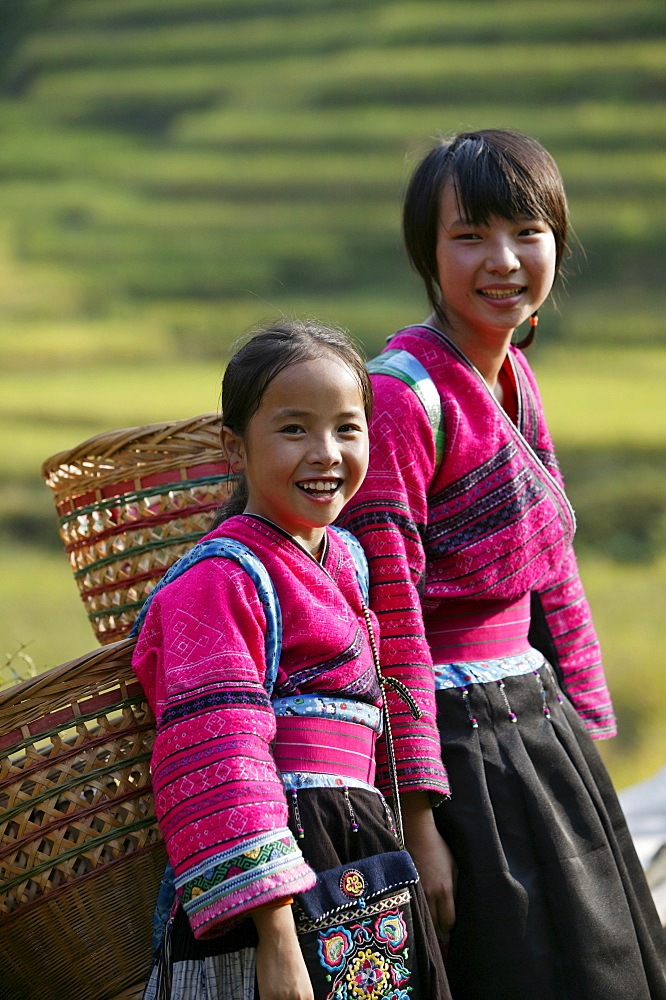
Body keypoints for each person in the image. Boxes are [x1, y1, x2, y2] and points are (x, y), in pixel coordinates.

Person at [338, 130, 666, 999]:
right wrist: (419, 820)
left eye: (527, 232)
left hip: (532, 719)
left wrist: (582, 720)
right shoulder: (403, 397)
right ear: (428, 253)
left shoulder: (514, 374)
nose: (504, 260)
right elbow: (390, 612)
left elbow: (551, 563)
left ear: (557, 238)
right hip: (450, 749)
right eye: (470, 235)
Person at [132, 319, 452, 1000]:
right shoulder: (218, 582)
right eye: (294, 429)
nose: (326, 453)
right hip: (274, 886)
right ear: (235, 447)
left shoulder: (349, 562)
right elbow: (219, 758)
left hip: (358, 857)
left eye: (347, 427)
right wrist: (276, 937)